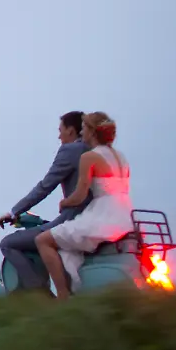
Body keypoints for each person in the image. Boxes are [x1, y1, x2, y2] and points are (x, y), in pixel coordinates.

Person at [34, 111, 133, 299]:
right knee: (68, 239)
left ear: (92, 132)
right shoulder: (121, 157)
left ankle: (62, 295)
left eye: (85, 128)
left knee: (43, 240)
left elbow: (79, 195)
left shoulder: (89, 157)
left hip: (103, 217)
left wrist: (64, 202)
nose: (82, 133)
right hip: (125, 216)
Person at [0, 111, 93, 293]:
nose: (59, 136)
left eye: (60, 130)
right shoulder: (95, 151)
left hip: (73, 219)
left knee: (7, 243)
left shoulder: (71, 151)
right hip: (95, 217)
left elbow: (45, 186)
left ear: (71, 131)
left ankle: (38, 291)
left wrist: (14, 212)